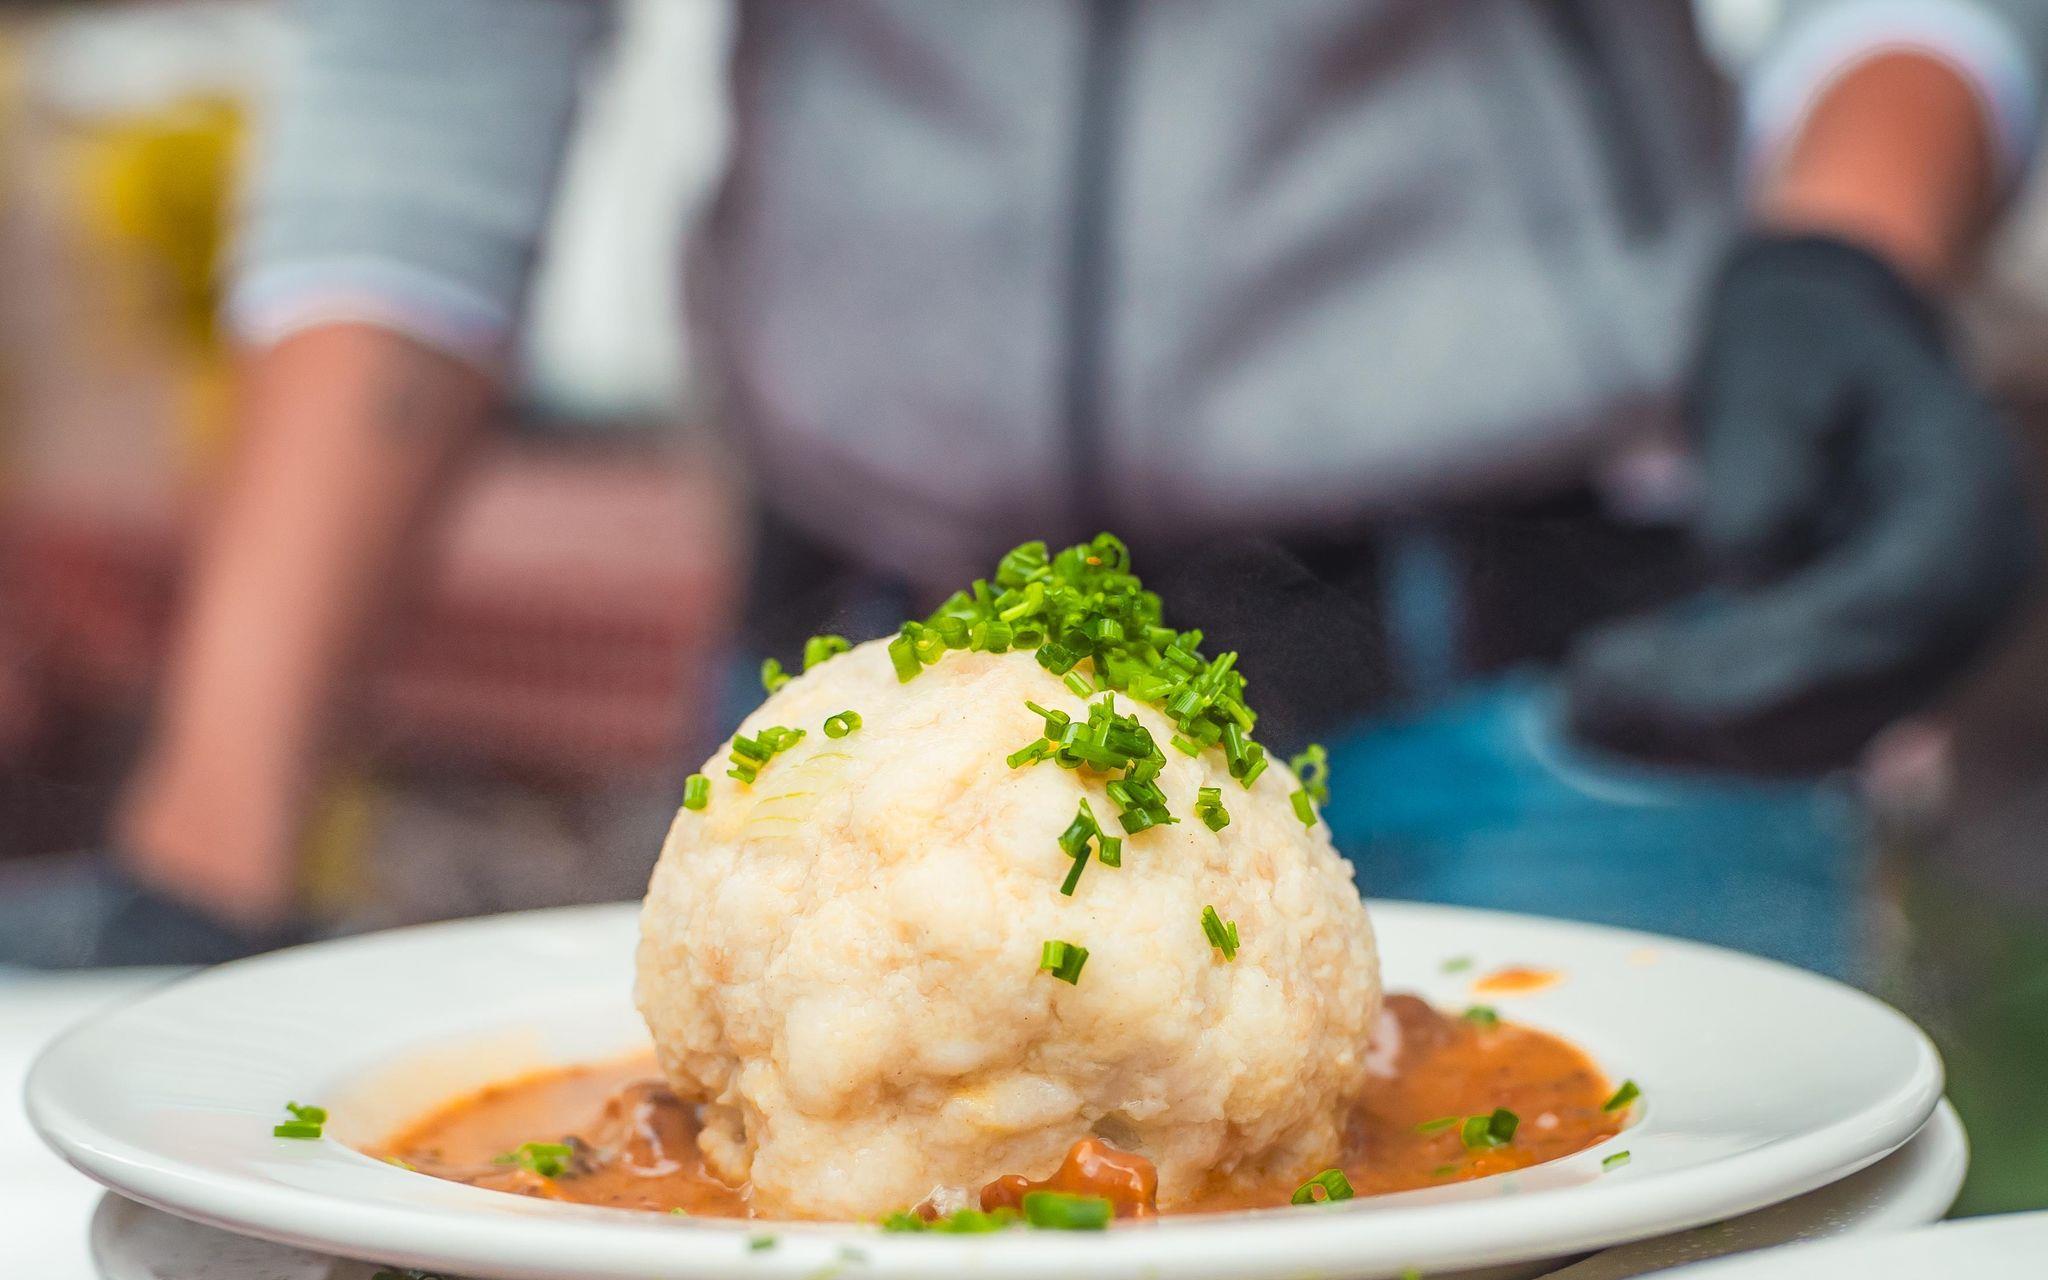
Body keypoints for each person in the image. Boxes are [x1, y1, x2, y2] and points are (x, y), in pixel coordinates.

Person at [1, 0, 2038, 976]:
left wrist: (1849, 252)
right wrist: (212, 846)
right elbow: (443, 62)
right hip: (876, 727)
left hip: (1551, 693)